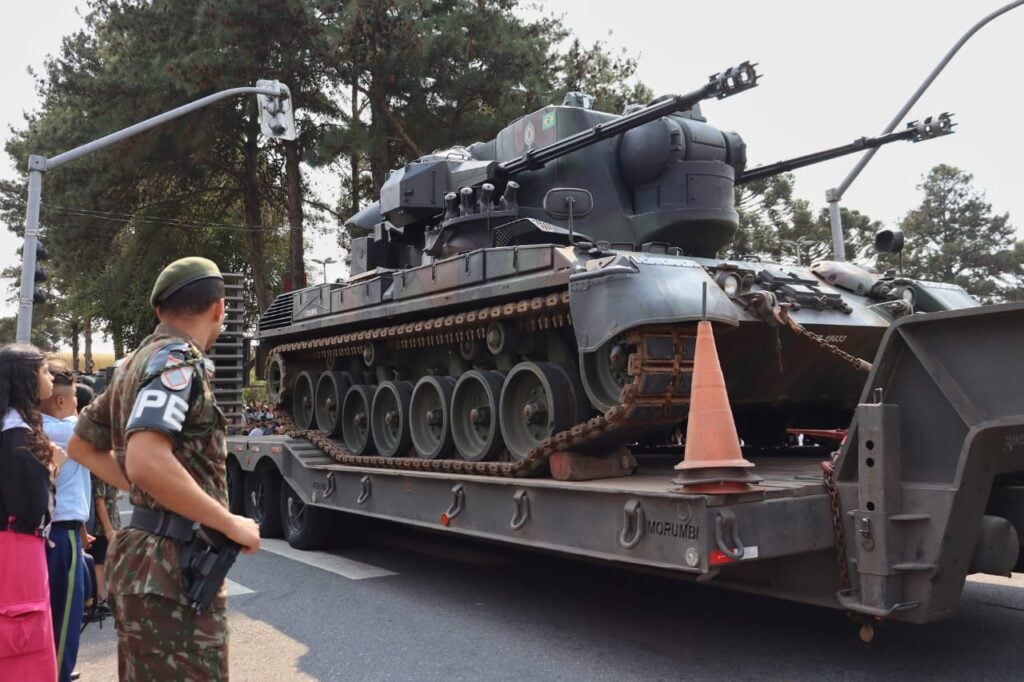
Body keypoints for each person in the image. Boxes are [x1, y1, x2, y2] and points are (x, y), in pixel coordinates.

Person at [69, 256, 260, 680]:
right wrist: (230, 522)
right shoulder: (178, 361)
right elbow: (146, 459)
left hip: (145, 560)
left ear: (159, 310)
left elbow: (82, 444)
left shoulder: (134, 365)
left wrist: (146, 485)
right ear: (219, 308)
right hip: (174, 566)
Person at [0, 343, 60, 680]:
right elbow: (33, 507)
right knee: (22, 642)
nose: (50, 377)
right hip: (17, 554)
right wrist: (52, 470)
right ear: (27, 378)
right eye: (45, 370)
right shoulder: (16, 436)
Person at [40, 363, 91, 682]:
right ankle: (58, 673)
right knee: (65, 618)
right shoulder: (66, 431)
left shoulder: (34, 426)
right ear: (59, 401)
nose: (77, 403)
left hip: (52, 531)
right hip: (61, 534)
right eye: (74, 397)